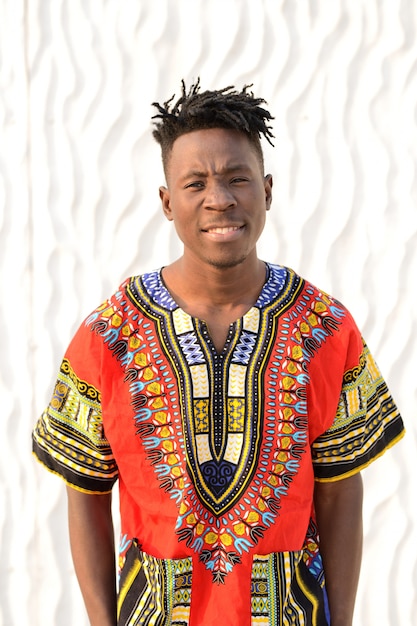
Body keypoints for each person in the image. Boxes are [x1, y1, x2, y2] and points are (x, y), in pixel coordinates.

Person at [32, 79, 405, 626]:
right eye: (195, 183)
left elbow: (341, 489)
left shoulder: (326, 328)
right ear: (166, 202)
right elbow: (85, 490)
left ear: (268, 190)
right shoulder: (109, 334)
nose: (219, 199)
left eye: (238, 179)